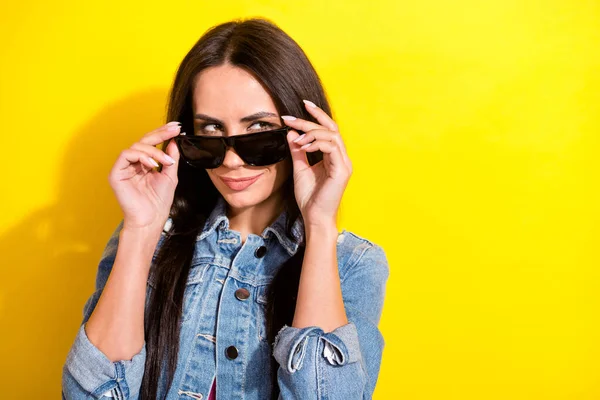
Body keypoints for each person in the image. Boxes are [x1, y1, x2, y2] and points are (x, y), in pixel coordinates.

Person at [61, 17, 389, 400]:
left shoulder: (353, 264)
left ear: (304, 132)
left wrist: (319, 224)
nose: (232, 161)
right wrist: (140, 230)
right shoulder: (148, 240)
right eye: (212, 134)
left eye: (258, 131)